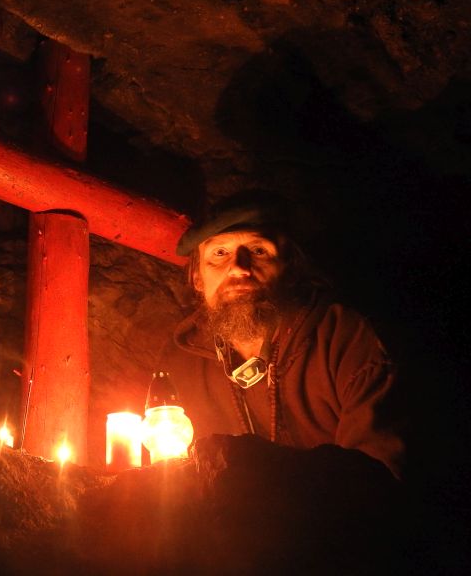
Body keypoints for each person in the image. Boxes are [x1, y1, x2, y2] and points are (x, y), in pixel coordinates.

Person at [163, 189, 405, 479]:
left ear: (289, 268)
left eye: (258, 251)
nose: (239, 268)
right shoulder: (182, 361)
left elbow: (381, 482)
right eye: (219, 253)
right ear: (197, 278)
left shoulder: (346, 340)